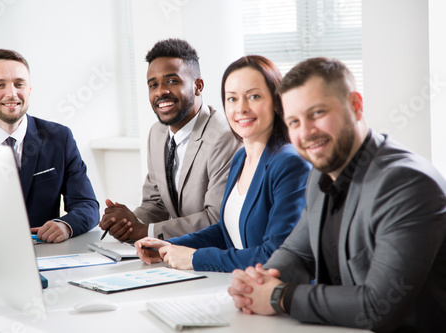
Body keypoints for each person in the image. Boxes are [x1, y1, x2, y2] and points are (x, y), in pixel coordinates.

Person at [227, 57, 446, 332]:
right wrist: (257, 284)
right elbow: (297, 252)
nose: (305, 132)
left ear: (355, 106)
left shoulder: (407, 183)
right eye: (294, 121)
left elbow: (379, 307)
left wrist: (278, 296)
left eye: (317, 113)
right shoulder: (321, 173)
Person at [134, 55, 311, 273]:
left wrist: (195, 258)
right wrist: (172, 246)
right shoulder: (241, 158)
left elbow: (276, 255)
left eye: (253, 96)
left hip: (277, 296)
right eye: (232, 99)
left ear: (276, 101)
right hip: (239, 285)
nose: (241, 108)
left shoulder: (290, 164)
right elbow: (226, 230)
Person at [99, 39, 240, 242]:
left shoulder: (223, 137)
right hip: (176, 251)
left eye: (172, 81)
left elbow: (216, 218)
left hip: (215, 251)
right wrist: (128, 223)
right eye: (153, 84)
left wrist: (144, 232)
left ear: (198, 86)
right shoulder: (157, 134)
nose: (160, 91)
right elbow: (156, 203)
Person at [0, 49, 99, 243]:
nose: (12, 93)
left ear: (29, 90)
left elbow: (87, 205)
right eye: (0, 85)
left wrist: (66, 225)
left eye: (19, 84)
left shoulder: (60, 138)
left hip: (42, 251)